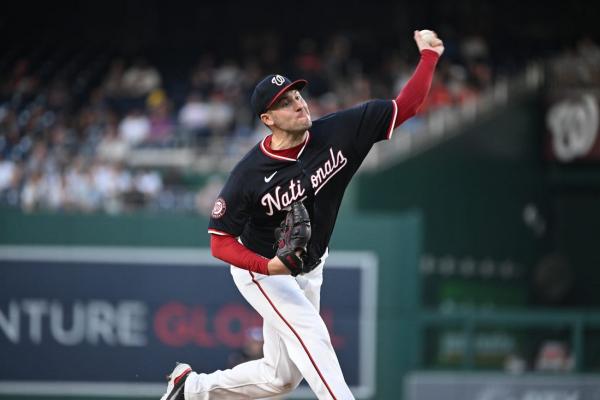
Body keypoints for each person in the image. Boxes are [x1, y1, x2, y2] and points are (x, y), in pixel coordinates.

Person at [160, 30, 444, 400]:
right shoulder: (248, 175)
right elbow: (219, 242)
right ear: (268, 119)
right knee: (312, 332)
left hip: (310, 264)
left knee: (280, 379)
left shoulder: (340, 131)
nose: (298, 104)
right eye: (285, 102)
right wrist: (268, 269)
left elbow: (405, 106)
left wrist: (429, 57)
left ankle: (191, 389)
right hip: (261, 265)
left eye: (297, 95)